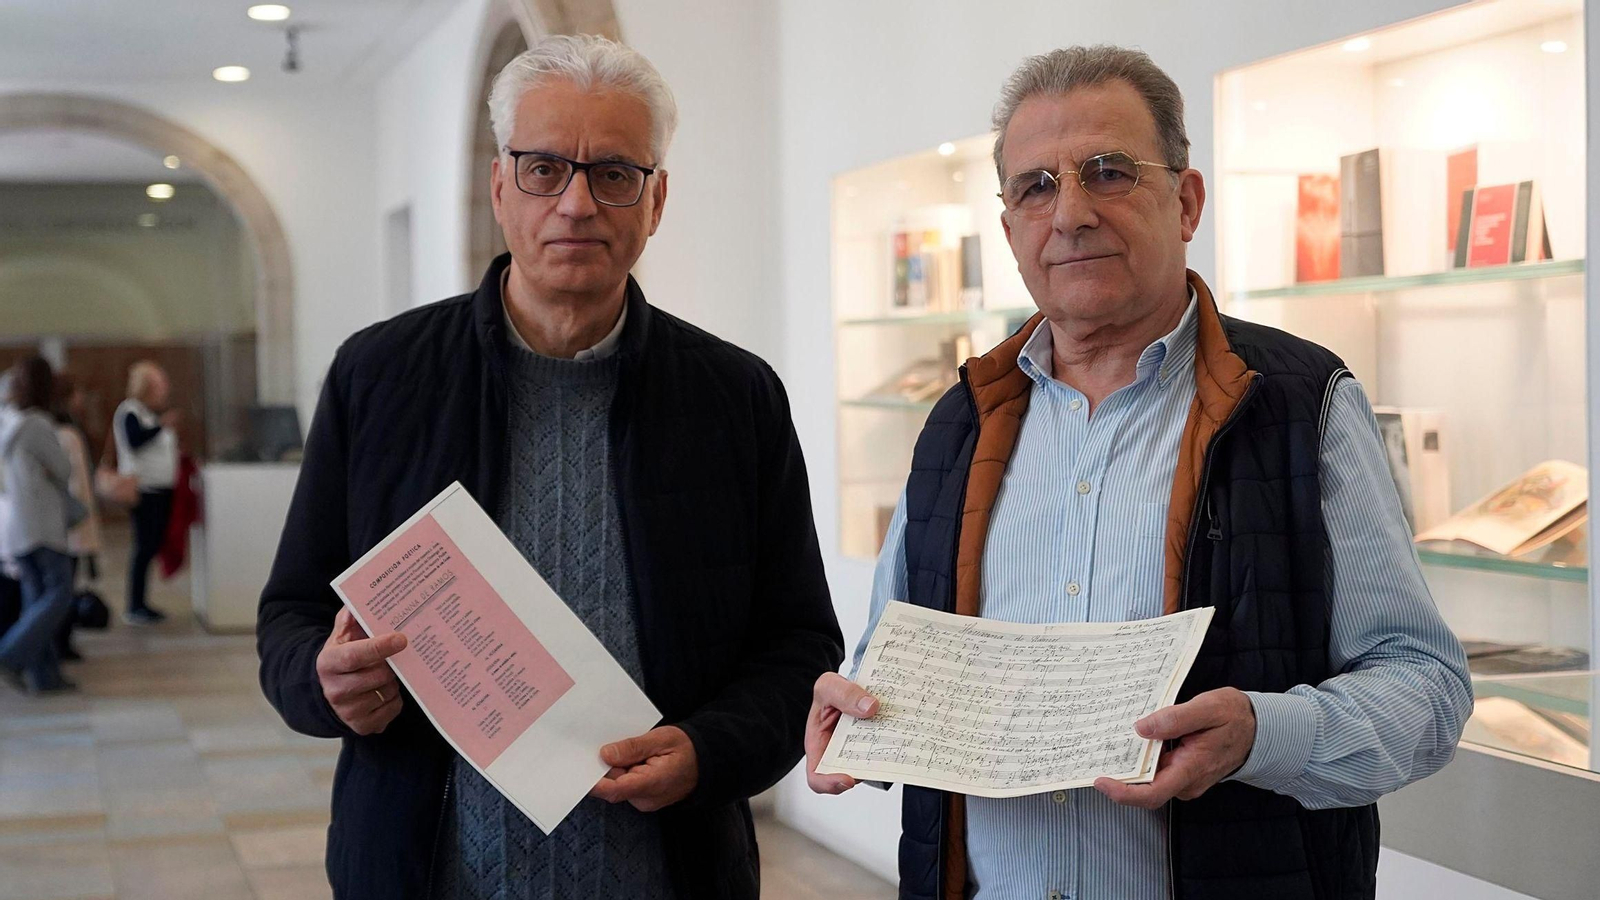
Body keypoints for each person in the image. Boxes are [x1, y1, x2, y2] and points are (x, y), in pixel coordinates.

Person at [805, 46, 1473, 900]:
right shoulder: (958, 423)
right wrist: (855, 714)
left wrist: (1263, 732)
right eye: (1035, 187)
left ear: (1187, 201)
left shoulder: (1301, 405)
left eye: (1108, 172)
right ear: (1009, 228)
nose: (1071, 213)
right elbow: (886, 661)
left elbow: (1427, 688)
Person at [257, 34, 842, 900]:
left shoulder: (734, 397)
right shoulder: (379, 376)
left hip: (665, 874)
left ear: (656, 200)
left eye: (613, 173)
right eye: (542, 168)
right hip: (429, 872)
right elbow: (291, 616)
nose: (576, 203)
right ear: (499, 186)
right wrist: (322, 680)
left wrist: (707, 751)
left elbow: (799, 645)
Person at [0, 357, 78, 693]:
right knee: (59, 594)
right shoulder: (37, 425)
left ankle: (44, 677)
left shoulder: (8, 421)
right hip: (43, 524)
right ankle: (9, 653)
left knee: (35, 600)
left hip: (18, 523)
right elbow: (63, 469)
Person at [114, 360, 178, 625]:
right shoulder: (131, 411)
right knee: (143, 547)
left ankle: (141, 602)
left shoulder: (147, 412)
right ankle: (134, 604)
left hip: (161, 489)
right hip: (145, 490)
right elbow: (135, 440)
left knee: (150, 546)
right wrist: (162, 425)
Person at [51, 372, 101, 661]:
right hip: (68, 520)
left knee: (68, 582)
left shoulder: (68, 429)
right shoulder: (64, 433)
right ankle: (60, 643)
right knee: (63, 585)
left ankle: (63, 640)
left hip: (70, 519)